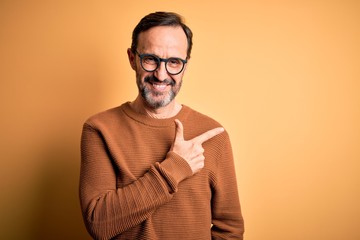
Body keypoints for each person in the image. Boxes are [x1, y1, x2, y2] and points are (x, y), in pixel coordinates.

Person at [79, 11, 244, 240]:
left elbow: (230, 230)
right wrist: (175, 168)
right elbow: (99, 224)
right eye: (150, 59)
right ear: (132, 59)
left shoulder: (212, 135)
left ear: (185, 66)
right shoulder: (99, 129)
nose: (161, 74)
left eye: (174, 62)